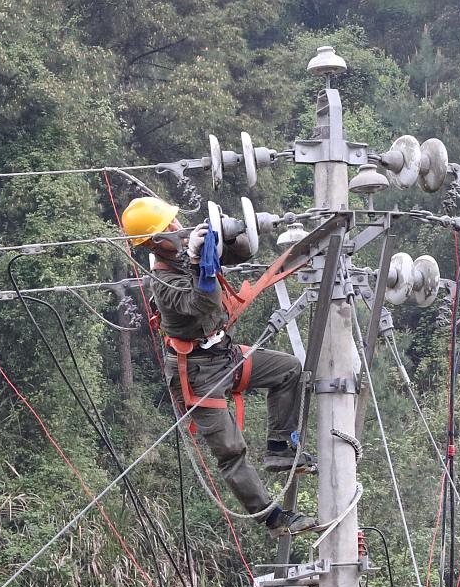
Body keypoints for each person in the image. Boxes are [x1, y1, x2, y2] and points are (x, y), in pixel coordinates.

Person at [121, 195, 318, 538]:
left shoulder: (183, 249)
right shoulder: (164, 282)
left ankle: (280, 448)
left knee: (287, 370)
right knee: (230, 450)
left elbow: (242, 253)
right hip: (196, 375)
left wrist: (227, 235)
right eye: (170, 227)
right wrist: (200, 261)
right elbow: (203, 301)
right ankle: (272, 519)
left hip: (222, 354)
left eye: (175, 221)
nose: (178, 227)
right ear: (156, 241)